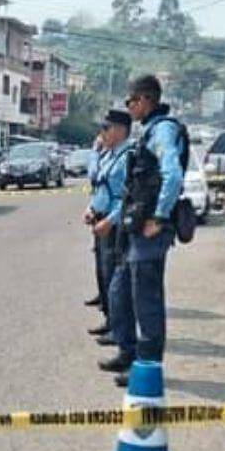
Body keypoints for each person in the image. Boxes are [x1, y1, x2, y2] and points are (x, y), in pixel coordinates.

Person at [99, 75, 187, 387]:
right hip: (135, 228)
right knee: (119, 292)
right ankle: (128, 353)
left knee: (146, 303)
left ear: (145, 99)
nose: (129, 107)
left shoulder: (163, 130)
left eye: (131, 101)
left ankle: (147, 368)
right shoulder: (149, 131)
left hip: (151, 230)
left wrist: (160, 217)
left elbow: (172, 175)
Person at [85, 110, 132, 343]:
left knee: (115, 279)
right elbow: (99, 185)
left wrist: (110, 220)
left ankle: (120, 330)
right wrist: (91, 208)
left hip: (115, 224)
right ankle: (111, 321)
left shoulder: (127, 157)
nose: (102, 133)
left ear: (120, 130)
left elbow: (128, 197)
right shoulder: (109, 155)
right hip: (101, 219)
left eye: (106, 128)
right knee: (105, 274)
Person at [84, 133, 106, 309]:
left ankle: (107, 300)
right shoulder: (107, 155)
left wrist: (94, 153)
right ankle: (103, 294)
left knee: (106, 260)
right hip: (99, 211)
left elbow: (93, 174)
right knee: (100, 256)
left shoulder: (112, 156)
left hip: (108, 216)